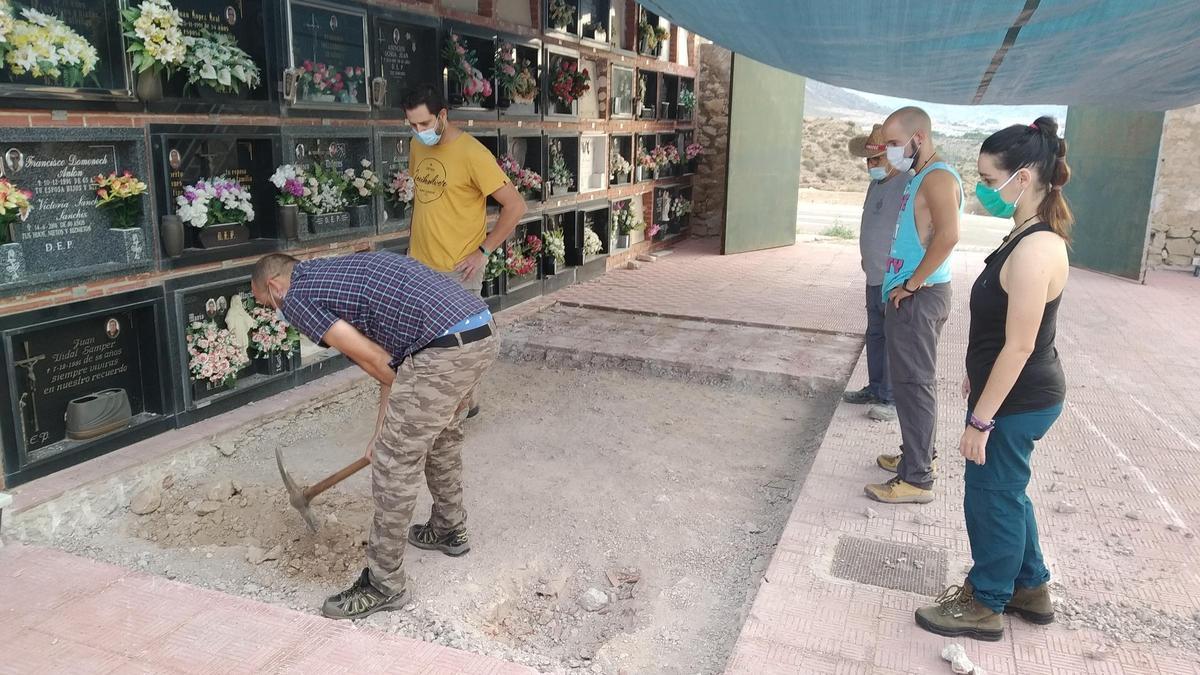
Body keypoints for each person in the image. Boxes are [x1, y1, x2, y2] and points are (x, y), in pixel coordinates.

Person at [251, 251, 498, 620]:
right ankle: (448, 528)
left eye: (266, 303)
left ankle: (384, 584)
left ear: (274, 285)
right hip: (479, 332)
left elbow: (373, 359)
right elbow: (393, 359)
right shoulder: (331, 272)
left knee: (393, 464)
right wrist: (385, 427)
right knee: (441, 436)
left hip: (441, 349)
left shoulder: (298, 295)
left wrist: (386, 441)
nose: (275, 312)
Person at [915, 117, 1071, 641]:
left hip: (1016, 401)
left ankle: (986, 602)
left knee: (991, 495)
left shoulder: (1035, 250)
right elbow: (1001, 326)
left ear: (1022, 178)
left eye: (987, 178)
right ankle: (1031, 588)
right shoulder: (1024, 233)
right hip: (1011, 393)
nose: (982, 189)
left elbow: (1021, 344)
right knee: (1008, 490)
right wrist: (973, 375)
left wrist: (982, 418)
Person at [402, 84, 526, 418]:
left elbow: (515, 206)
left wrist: (483, 251)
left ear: (442, 115)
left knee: (460, 344)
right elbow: (420, 201)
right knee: (426, 341)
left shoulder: (473, 154)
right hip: (420, 263)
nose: (418, 131)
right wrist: (411, 246)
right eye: (412, 125)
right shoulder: (417, 146)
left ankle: (460, 406)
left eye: (424, 124)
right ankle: (454, 402)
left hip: (459, 268)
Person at [864, 107, 961, 505]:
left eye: (893, 143)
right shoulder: (919, 175)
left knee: (914, 386)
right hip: (909, 293)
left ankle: (917, 479)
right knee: (909, 385)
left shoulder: (937, 177)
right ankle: (916, 457)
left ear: (917, 138)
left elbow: (949, 236)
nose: (888, 151)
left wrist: (912, 283)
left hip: (919, 296)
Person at [843, 123, 908, 422]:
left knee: (894, 337)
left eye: (877, 160)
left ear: (893, 157)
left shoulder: (907, 182)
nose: (871, 165)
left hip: (894, 276)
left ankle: (892, 399)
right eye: (869, 160)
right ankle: (876, 387)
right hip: (873, 272)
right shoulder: (876, 183)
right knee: (876, 334)